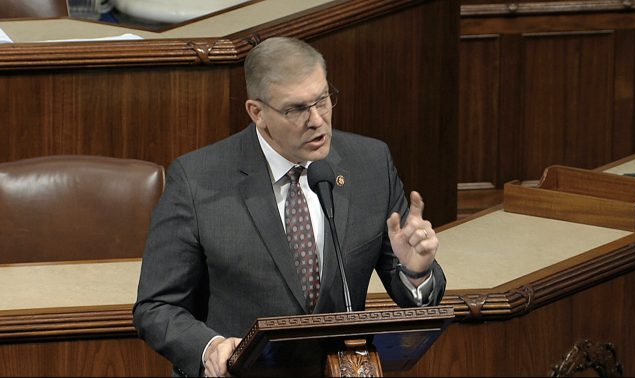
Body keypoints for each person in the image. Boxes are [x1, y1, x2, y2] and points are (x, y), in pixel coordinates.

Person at [133, 36, 446, 377]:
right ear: (257, 112)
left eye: (323, 100)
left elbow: (413, 296)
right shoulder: (197, 180)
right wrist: (210, 347)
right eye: (296, 109)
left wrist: (417, 273)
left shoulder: (370, 164)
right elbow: (157, 306)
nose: (316, 120)